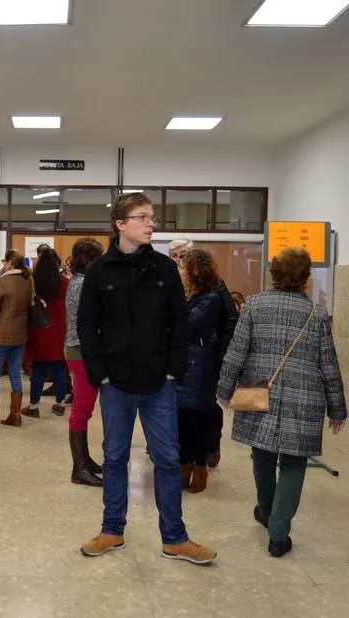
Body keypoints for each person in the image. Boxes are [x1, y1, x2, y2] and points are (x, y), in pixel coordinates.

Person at [76, 192, 216, 564]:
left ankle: (175, 538)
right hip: (115, 382)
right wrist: (98, 373)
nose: (151, 223)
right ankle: (112, 531)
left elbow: (179, 321)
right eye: (142, 217)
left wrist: (174, 368)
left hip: (159, 382)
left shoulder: (165, 269)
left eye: (152, 217)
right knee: (114, 457)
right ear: (120, 224)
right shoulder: (99, 271)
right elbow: (86, 325)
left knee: (168, 459)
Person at [217, 247, 346, 558]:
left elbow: (236, 352)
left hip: (260, 390)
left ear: (273, 273)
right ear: (305, 277)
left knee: (261, 453)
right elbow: (328, 364)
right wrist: (337, 409)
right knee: (294, 462)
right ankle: (278, 533)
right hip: (305, 397)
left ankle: (265, 510)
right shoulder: (316, 314)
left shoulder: (254, 305)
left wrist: (224, 389)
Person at [167, 238, 238, 468]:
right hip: (181, 355)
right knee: (181, 407)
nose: (179, 260)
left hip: (206, 353)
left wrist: (220, 349)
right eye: (175, 256)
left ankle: (210, 447)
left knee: (207, 406)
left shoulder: (214, 287)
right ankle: (182, 452)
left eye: (183, 255)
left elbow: (229, 318)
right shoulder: (171, 281)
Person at [174, 248, 222, 493]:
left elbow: (186, 324)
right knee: (182, 417)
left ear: (195, 272)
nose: (179, 272)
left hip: (199, 361)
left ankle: (199, 468)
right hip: (184, 360)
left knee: (198, 418)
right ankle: (183, 468)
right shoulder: (186, 295)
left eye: (183, 268)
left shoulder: (209, 298)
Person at [64, 238, 104, 487]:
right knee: (82, 407)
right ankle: (79, 468)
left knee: (84, 408)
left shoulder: (80, 281)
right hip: (81, 350)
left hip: (80, 349)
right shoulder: (82, 284)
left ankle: (85, 460)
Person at [0, 249, 32, 431]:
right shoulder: (28, 279)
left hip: (1, 335)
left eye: (4, 262)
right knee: (15, 374)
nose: (2, 265)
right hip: (20, 334)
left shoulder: (3, 281)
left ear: (10, 262)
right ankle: (15, 415)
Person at [23, 248, 69, 418]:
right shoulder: (64, 282)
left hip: (39, 326)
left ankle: (34, 406)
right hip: (59, 326)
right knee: (59, 366)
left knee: (38, 368)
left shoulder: (33, 281)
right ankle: (60, 404)